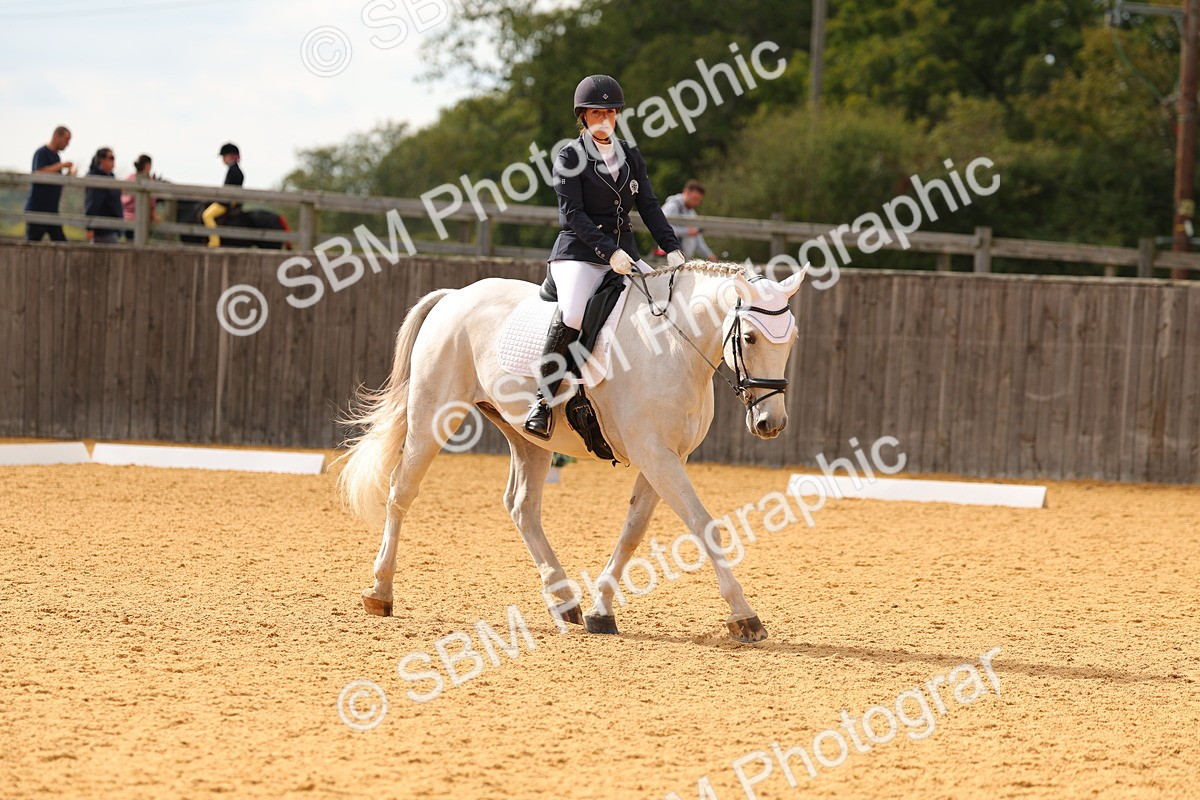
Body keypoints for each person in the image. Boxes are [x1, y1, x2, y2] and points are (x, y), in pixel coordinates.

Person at [523, 74, 685, 440]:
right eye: (596, 113)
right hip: (578, 254)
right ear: (583, 116)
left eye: (610, 113)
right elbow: (572, 216)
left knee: (662, 302)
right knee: (575, 313)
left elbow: (648, 205)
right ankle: (543, 402)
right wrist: (608, 252)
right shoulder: (569, 156)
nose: (604, 120)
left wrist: (672, 248)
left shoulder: (631, 154)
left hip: (624, 253)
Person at [24, 126, 74, 242]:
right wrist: (62, 165)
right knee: (31, 246)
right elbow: (39, 172)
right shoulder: (41, 152)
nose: (67, 144)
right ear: (57, 136)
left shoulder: (56, 156)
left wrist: (68, 175)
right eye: (66, 139)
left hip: (52, 210)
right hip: (37, 210)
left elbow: (56, 179)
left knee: (61, 245)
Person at [662, 180, 717, 261]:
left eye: (699, 200)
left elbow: (698, 239)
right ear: (686, 192)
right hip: (668, 259)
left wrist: (709, 255)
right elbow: (662, 229)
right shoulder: (672, 206)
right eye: (695, 199)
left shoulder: (691, 213)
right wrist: (686, 231)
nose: (697, 203)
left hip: (683, 261)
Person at [203, 142, 244, 247]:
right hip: (231, 201)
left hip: (225, 203)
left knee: (207, 215)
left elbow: (227, 189)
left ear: (230, 156)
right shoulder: (236, 170)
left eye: (224, 156)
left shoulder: (233, 170)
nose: (223, 159)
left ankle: (214, 242)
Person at [83, 148, 123, 244]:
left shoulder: (110, 176)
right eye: (111, 158)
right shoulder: (97, 178)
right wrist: (90, 227)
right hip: (102, 230)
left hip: (111, 228)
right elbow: (92, 203)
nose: (113, 161)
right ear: (102, 160)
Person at [121, 154, 161, 238]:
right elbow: (151, 202)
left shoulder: (129, 178)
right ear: (148, 165)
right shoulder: (148, 181)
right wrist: (153, 215)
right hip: (142, 220)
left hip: (126, 218)